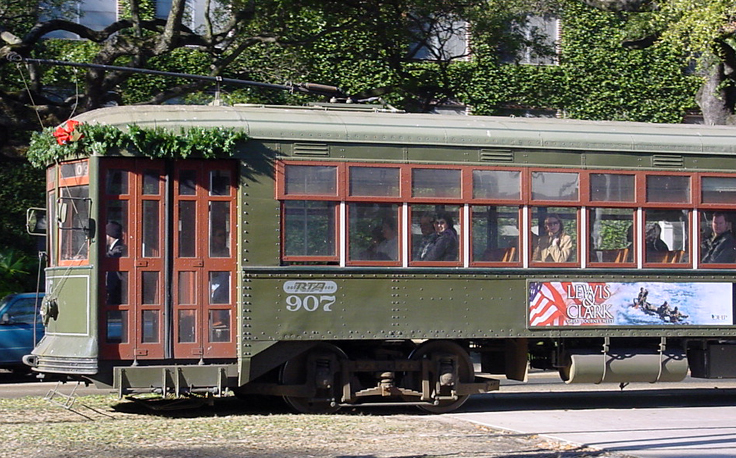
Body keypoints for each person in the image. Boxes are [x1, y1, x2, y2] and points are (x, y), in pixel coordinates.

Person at [105, 221, 126, 305]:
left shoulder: (119, 247)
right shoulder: (114, 247)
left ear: (109, 236)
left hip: (118, 288)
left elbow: (113, 255)